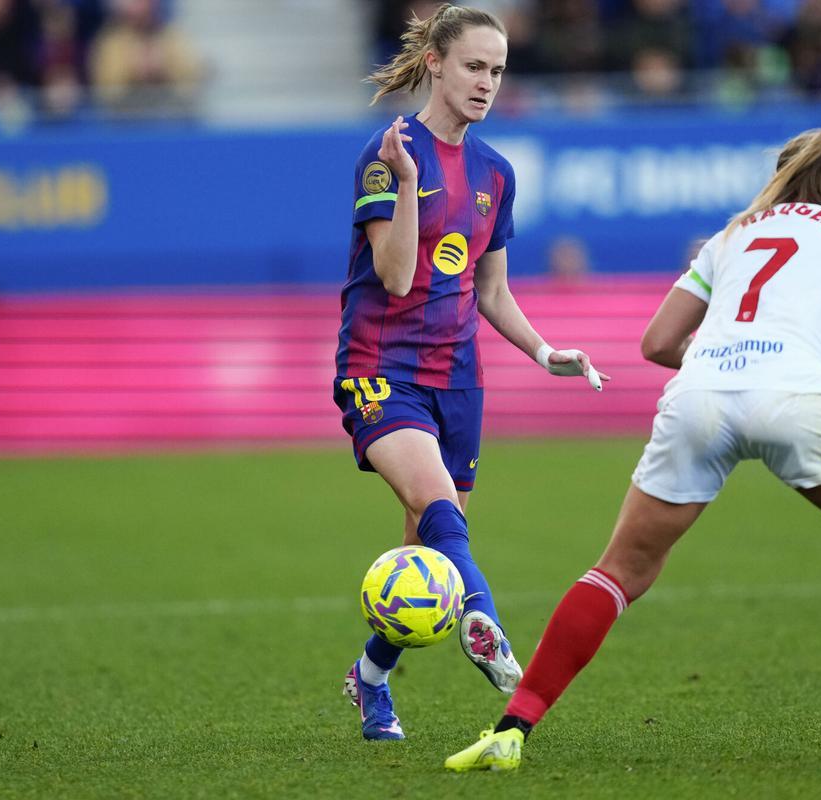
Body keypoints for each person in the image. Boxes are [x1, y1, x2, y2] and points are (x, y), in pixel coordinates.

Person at [445, 127, 821, 770]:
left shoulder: (732, 235)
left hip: (699, 396)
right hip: (795, 397)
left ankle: (511, 730)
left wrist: (723, 365)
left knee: (618, 571)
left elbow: (656, 343)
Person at [335, 3, 608, 742]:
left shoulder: (496, 173)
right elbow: (395, 278)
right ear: (436, 63)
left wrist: (545, 352)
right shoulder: (388, 154)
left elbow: (492, 291)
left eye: (498, 70)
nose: (487, 83)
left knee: (429, 551)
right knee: (443, 518)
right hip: (380, 368)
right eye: (474, 66)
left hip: (458, 378)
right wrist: (406, 183)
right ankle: (485, 622)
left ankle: (370, 678)